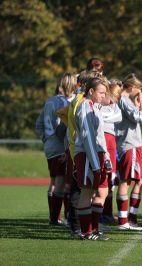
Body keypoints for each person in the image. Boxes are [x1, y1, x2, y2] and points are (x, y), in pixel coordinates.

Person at [35, 73, 76, 225]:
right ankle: (58, 218)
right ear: (70, 86)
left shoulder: (49, 101)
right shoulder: (62, 102)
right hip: (59, 147)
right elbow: (61, 126)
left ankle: (55, 217)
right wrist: (64, 143)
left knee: (53, 181)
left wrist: (46, 139)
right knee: (62, 182)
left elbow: (39, 124)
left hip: (50, 147)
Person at [74, 77, 110, 240]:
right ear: (91, 91)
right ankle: (86, 232)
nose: (103, 96)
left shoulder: (94, 107)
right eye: (101, 92)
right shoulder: (84, 107)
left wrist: (106, 156)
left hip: (97, 154)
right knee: (87, 192)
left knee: (101, 190)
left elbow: (99, 136)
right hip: (88, 155)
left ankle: (94, 229)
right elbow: (87, 137)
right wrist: (95, 163)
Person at [115, 74, 142, 230]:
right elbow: (141, 118)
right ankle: (124, 221)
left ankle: (131, 219)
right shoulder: (124, 100)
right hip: (130, 144)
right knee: (126, 182)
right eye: (139, 88)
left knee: (139, 180)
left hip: (131, 144)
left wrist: (135, 103)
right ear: (132, 87)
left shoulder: (126, 100)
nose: (140, 91)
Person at [99, 81, 122, 225]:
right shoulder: (97, 105)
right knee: (101, 179)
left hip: (111, 142)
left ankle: (107, 213)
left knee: (111, 179)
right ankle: (99, 215)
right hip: (103, 140)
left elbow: (118, 116)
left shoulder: (114, 107)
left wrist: (104, 117)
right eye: (113, 98)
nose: (114, 102)